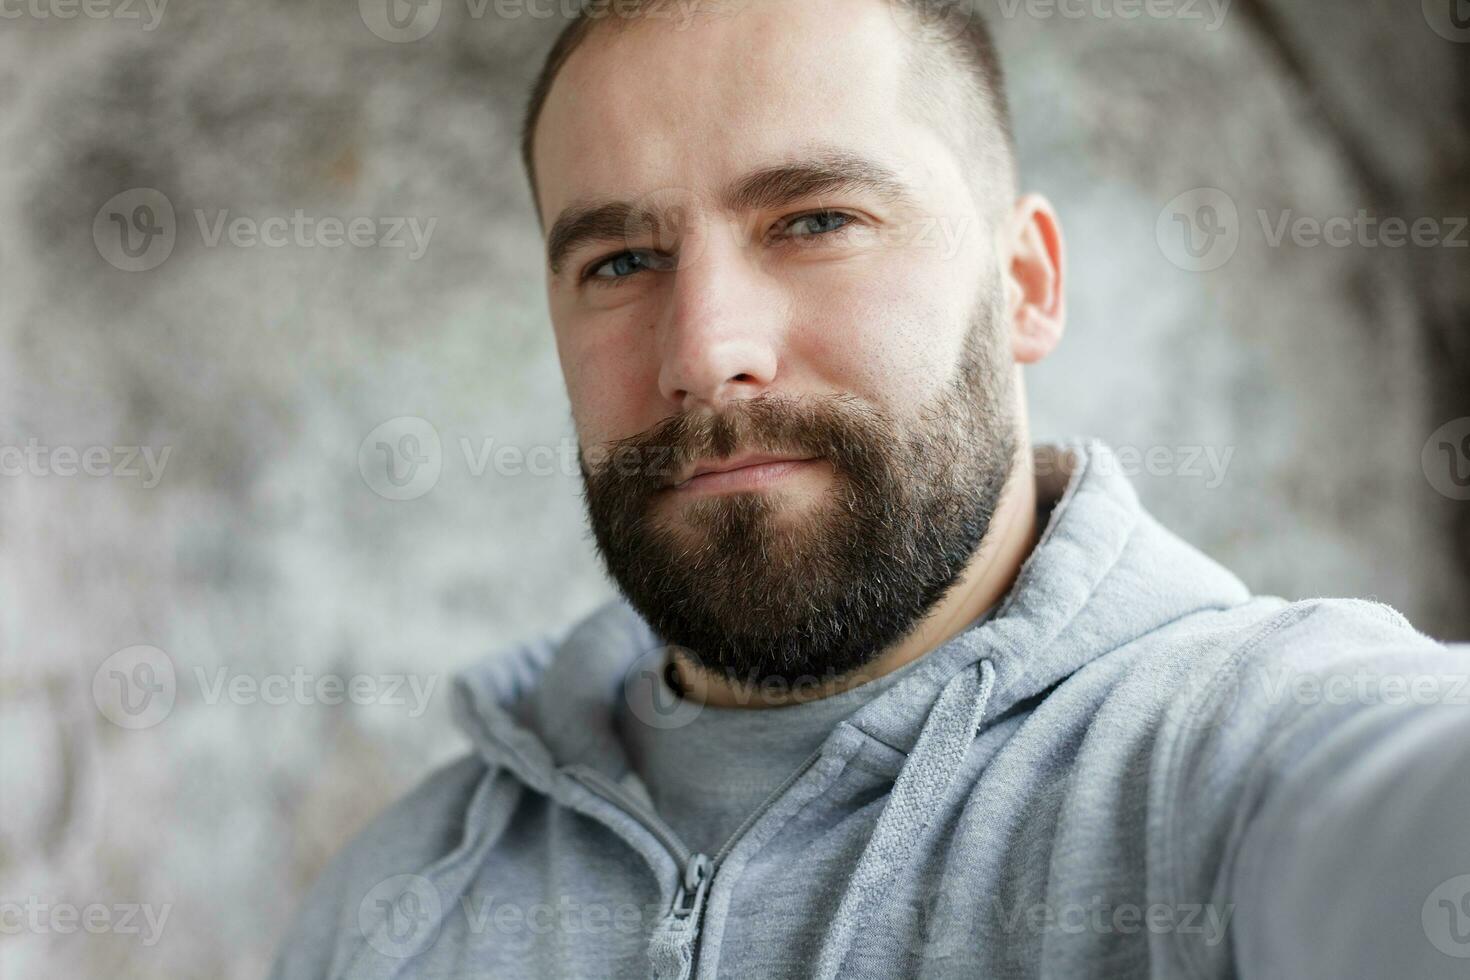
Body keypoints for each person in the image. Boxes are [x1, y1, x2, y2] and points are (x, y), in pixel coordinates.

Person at [271, 1, 1470, 976]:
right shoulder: (395, 901)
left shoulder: (1242, 758)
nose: (703, 350)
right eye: (622, 260)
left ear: (1025, 286)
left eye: (815, 220)